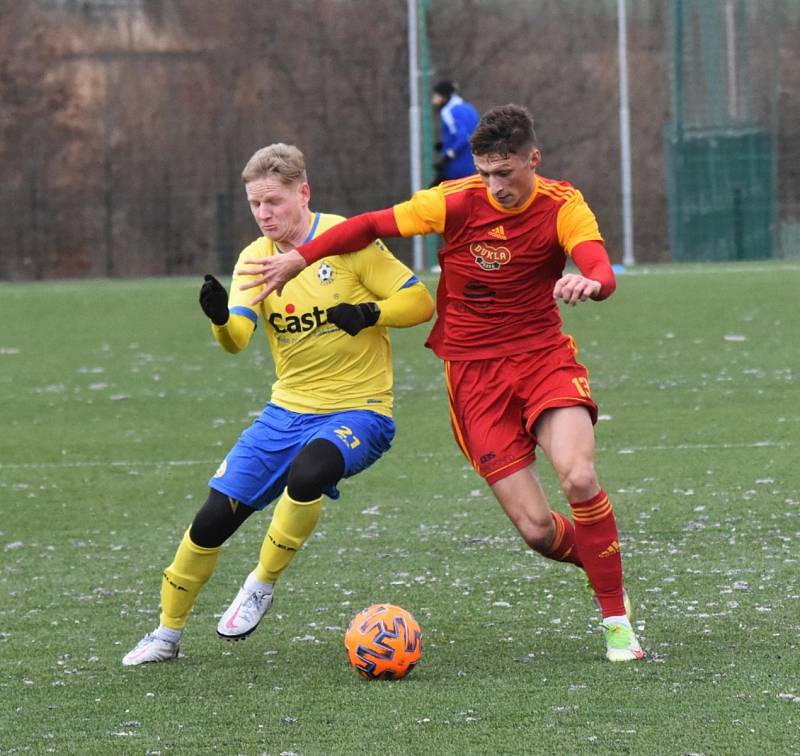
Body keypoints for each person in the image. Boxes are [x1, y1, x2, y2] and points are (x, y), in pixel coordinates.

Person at [238, 105, 645, 663]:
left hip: (541, 357)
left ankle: (615, 618)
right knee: (537, 532)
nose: (495, 186)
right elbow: (369, 225)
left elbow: (601, 269)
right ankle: (605, 561)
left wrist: (591, 285)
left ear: (533, 159)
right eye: (486, 173)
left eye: (506, 173)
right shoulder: (454, 199)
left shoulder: (562, 205)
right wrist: (300, 258)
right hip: (472, 374)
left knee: (578, 476)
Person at [122, 143, 434, 666]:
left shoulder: (346, 242)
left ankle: (261, 583)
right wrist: (222, 318)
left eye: (274, 201)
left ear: (302, 193)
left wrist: (369, 312)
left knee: (309, 473)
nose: (264, 214)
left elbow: (421, 300)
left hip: (361, 411)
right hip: (285, 412)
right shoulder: (254, 258)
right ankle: (166, 635)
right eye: (255, 204)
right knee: (211, 520)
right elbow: (238, 339)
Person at [431, 79, 480, 185]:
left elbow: (463, 137)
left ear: (443, 97)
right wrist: (444, 145)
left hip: (455, 167)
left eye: (436, 96)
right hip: (471, 165)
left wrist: (447, 155)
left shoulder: (449, 111)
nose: (433, 100)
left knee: (431, 197)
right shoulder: (469, 108)